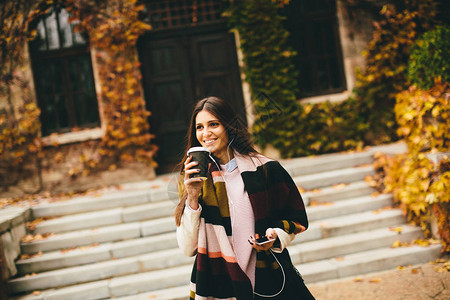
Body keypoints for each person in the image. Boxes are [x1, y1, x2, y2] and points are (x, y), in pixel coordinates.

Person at [175, 96, 315, 300]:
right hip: (220, 283)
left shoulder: (265, 169)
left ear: (229, 126)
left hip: (266, 279)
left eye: (213, 124)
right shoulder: (192, 178)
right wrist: (193, 197)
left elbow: (296, 218)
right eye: (199, 127)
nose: (206, 133)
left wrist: (275, 235)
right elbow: (189, 248)